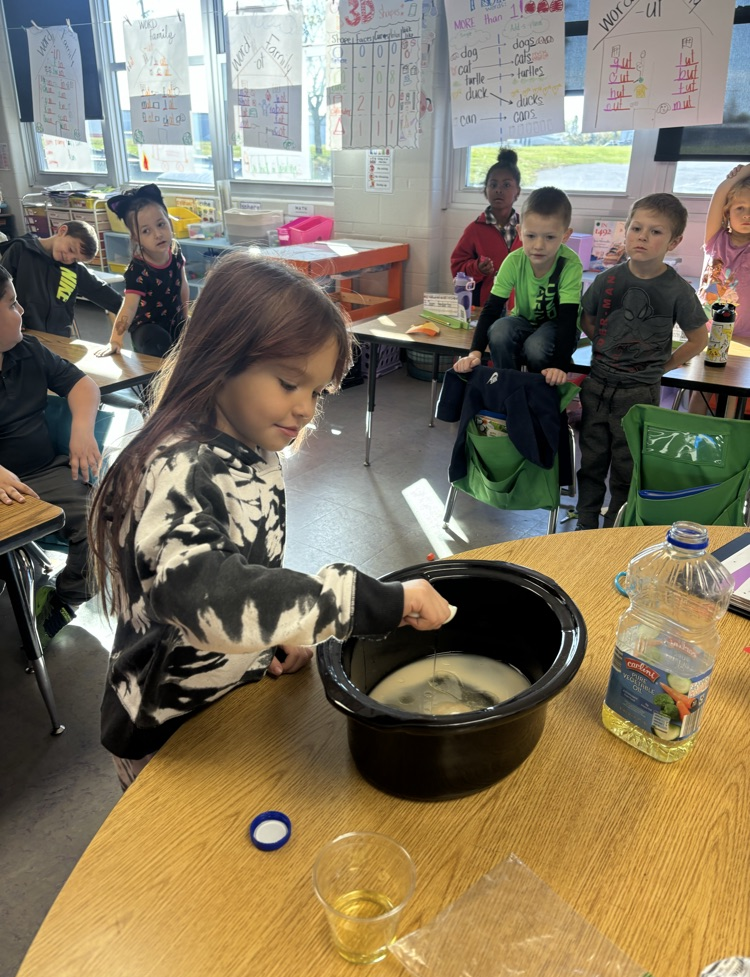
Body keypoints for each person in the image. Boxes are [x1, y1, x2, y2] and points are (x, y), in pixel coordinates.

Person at [89, 250, 452, 790]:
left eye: (317, 391)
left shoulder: (251, 444)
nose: (306, 408)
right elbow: (206, 594)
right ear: (221, 357)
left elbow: (243, 566)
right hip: (166, 734)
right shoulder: (181, 465)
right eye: (289, 383)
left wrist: (266, 643)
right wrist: (365, 602)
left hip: (226, 700)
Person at [576, 193, 708, 530]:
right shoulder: (609, 279)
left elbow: (698, 339)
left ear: (674, 241)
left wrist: (662, 366)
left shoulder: (677, 290)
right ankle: (586, 521)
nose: (642, 237)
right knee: (591, 461)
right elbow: (587, 320)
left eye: (655, 232)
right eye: (636, 228)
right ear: (626, 231)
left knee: (626, 465)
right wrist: (606, 346)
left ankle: (616, 527)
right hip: (598, 385)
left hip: (639, 392)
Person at [0, 265, 102, 646]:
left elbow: (83, 385)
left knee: (103, 524)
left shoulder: (27, 350)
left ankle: (63, 599)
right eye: (12, 304)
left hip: (43, 473)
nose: (22, 310)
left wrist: (81, 431)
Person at [453, 186, 582, 386]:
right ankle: (506, 386)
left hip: (559, 327)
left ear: (565, 235)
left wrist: (560, 365)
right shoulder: (513, 261)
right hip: (523, 321)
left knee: (536, 347)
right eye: (531, 236)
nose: (539, 245)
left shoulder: (570, 264)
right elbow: (492, 309)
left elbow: (568, 318)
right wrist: (474, 353)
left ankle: (540, 393)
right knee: (499, 330)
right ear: (520, 232)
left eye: (549, 237)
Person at [96, 184, 189, 359]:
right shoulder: (138, 269)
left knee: (199, 338)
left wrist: (185, 318)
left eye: (161, 224)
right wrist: (115, 341)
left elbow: (183, 286)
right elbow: (129, 307)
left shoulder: (175, 252)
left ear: (169, 222)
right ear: (135, 237)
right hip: (147, 329)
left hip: (173, 319)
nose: (158, 234)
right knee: (158, 342)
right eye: (146, 231)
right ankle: (154, 384)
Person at [689, 163, 750, 416]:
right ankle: (687, 438)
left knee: (733, 395)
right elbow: (721, 192)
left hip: (743, 337)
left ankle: (725, 440)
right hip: (705, 331)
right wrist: (744, 172)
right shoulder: (715, 239)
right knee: (700, 390)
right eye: (740, 209)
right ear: (727, 213)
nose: (747, 215)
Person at [0, 221, 122, 337]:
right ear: (62, 231)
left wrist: (131, 309)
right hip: (23, 333)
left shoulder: (74, 269)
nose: (69, 258)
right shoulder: (20, 250)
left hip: (58, 337)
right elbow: (2, 290)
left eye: (75, 259)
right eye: (71, 249)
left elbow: (101, 292)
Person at [450, 148, 523, 310]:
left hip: (521, 308)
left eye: (506, 185)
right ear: (485, 190)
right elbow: (457, 270)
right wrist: (477, 268)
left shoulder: (527, 230)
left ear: (517, 191)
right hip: (484, 307)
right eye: (493, 184)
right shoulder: (474, 230)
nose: (499, 189)